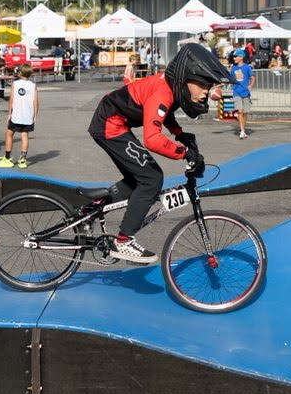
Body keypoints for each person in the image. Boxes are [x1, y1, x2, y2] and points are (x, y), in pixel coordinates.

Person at [86, 44, 229, 265]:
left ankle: (94, 207)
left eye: (208, 86)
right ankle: (123, 241)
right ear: (185, 79)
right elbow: (152, 139)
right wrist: (185, 153)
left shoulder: (171, 87)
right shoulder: (164, 92)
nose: (206, 92)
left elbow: (165, 115)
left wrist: (180, 134)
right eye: (201, 84)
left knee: (139, 178)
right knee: (152, 178)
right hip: (110, 125)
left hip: (116, 122)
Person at [0, 63, 39, 169]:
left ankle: (8, 158)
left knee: (9, 134)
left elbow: (11, 101)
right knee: (24, 136)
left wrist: (9, 113)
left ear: (20, 73)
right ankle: (23, 160)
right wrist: (35, 116)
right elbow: (36, 102)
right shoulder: (33, 85)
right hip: (28, 115)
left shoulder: (16, 83)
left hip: (17, 114)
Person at [230, 48, 253, 139]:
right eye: (234, 57)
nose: (234, 58)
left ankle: (243, 129)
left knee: (245, 113)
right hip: (236, 92)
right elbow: (230, 79)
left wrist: (251, 85)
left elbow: (252, 77)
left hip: (246, 92)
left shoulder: (247, 67)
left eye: (235, 57)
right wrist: (219, 85)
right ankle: (242, 131)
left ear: (241, 57)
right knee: (240, 111)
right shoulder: (233, 68)